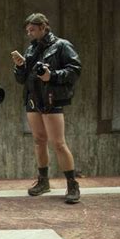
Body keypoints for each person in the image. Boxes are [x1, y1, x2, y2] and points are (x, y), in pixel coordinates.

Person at [11, 13, 82, 204]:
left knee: (58, 142)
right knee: (38, 140)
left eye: (32, 29)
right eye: (27, 31)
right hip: (33, 98)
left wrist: (53, 76)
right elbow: (21, 79)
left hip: (51, 99)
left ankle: (72, 184)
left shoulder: (61, 45)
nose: (29, 34)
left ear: (43, 27)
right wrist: (19, 67)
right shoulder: (31, 49)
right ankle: (43, 181)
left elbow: (75, 70)